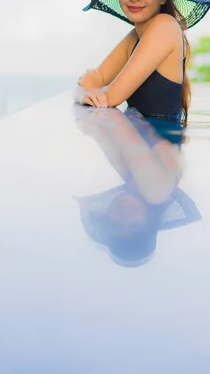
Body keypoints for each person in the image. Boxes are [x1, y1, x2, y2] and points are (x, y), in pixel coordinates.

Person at [75, 0, 210, 123]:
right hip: (140, 143)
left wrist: (87, 92)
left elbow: (110, 98)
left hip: (161, 144)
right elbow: (95, 79)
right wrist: (83, 93)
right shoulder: (135, 36)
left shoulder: (165, 26)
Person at [73, 105, 201, 267]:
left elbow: (95, 122)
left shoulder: (132, 178)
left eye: (115, 224)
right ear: (151, 220)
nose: (124, 216)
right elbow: (111, 117)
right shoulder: (156, 190)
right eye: (134, 226)